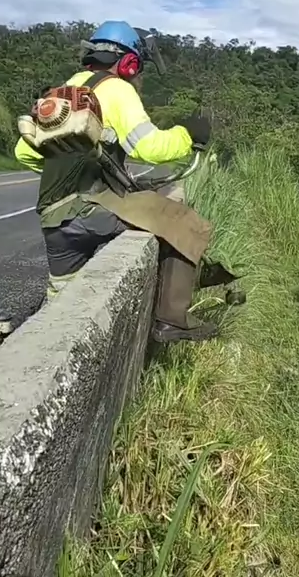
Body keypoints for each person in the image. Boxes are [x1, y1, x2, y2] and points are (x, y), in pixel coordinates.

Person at [14, 21, 237, 343]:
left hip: (52, 216)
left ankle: (41, 345)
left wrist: (69, 171)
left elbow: (23, 152)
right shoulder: (117, 89)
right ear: (129, 63)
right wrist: (187, 135)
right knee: (184, 223)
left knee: (61, 296)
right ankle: (172, 320)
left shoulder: (62, 91)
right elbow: (150, 148)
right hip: (92, 210)